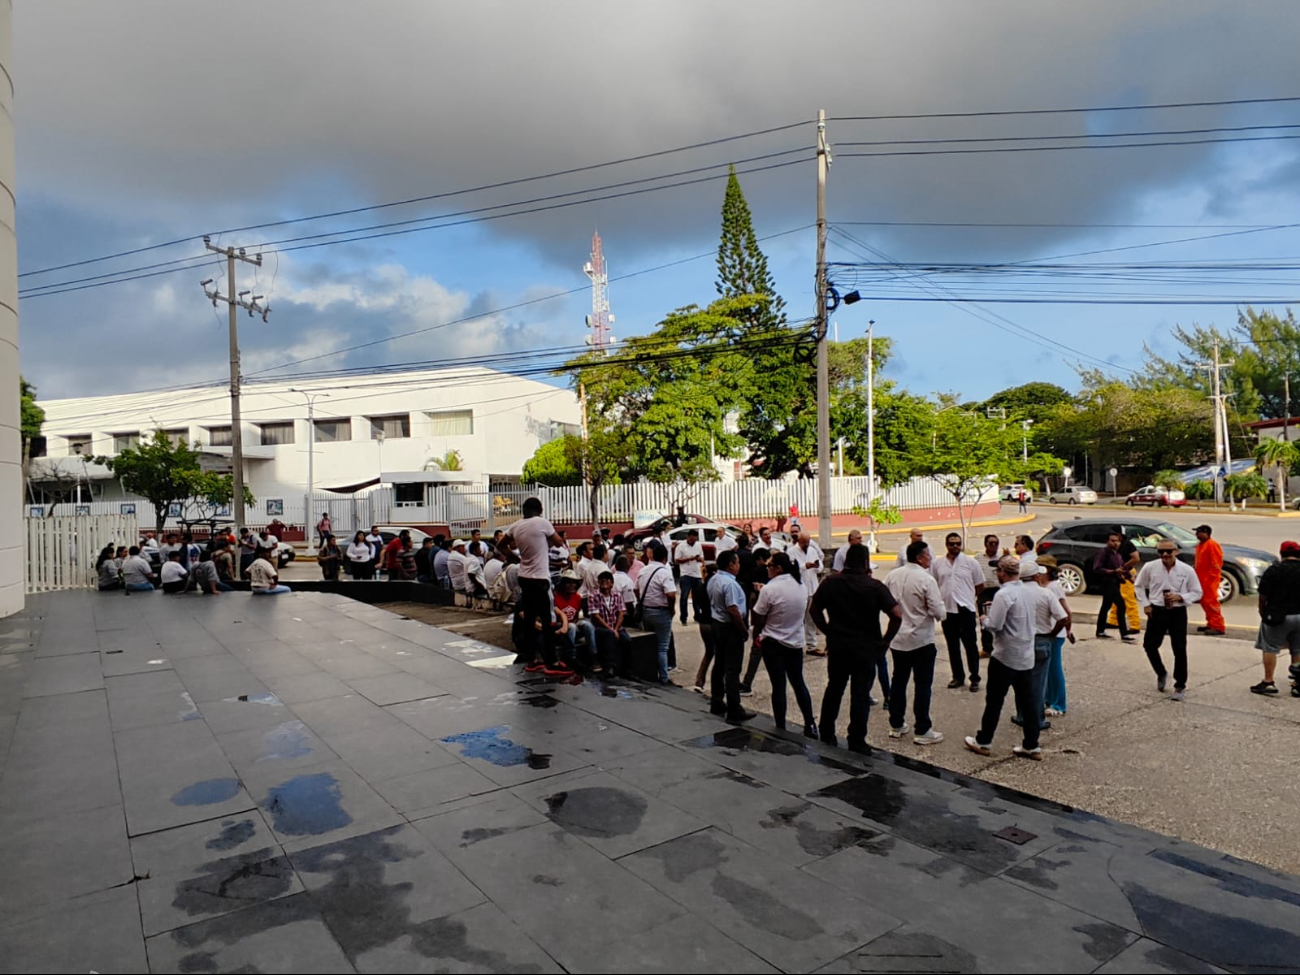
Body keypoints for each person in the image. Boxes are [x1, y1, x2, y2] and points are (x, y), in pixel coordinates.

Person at [813, 544, 902, 753]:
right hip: (866, 648)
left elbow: (814, 609)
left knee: (834, 688)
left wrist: (827, 630)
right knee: (861, 694)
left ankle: (826, 731)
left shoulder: (831, 583)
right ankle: (856, 739)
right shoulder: (874, 586)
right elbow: (897, 615)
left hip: (838, 646)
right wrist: (885, 641)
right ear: (865, 562)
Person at [966, 555, 1056, 761]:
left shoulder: (1003, 594)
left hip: (1005, 655)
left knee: (995, 700)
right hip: (1025, 654)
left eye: (998, 571)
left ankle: (984, 741)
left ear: (1002, 573)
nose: (997, 574)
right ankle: (1031, 745)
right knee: (1029, 701)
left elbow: (995, 625)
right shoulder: (1028, 592)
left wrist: (983, 619)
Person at [886, 541, 946, 745]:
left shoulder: (892, 576)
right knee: (922, 685)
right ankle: (923, 728)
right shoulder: (926, 579)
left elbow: (885, 602)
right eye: (928, 555)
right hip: (921, 639)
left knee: (898, 681)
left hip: (898, 638)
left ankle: (896, 724)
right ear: (920, 557)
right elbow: (939, 612)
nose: (930, 558)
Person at [752, 552, 818, 737]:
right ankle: (809, 722)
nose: (767, 568)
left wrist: (756, 634)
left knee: (778, 685)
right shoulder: (800, 585)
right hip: (795, 641)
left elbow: (760, 615)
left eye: (769, 565)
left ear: (778, 568)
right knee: (798, 682)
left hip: (773, 641)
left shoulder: (769, 590)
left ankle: (781, 724)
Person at [499, 497, 568, 671]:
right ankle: (551, 661)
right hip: (540, 578)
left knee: (529, 620)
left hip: (524, 576)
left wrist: (516, 558)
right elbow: (559, 542)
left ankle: (532, 659)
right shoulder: (542, 523)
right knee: (547, 620)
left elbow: (501, 545)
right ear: (540, 509)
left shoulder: (516, 526)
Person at [1134, 540, 1202, 701]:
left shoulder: (1186, 570)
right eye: (1161, 552)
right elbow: (1138, 585)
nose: (1165, 555)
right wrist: (1146, 604)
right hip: (1157, 610)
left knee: (1179, 648)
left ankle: (1180, 686)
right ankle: (1161, 672)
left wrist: (1180, 597)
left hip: (1177, 611)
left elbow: (1197, 592)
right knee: (1150, 645)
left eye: (1168, 551)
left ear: (1176, 552)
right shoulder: (1151, 567)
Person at [1011, 560, 1068, 732]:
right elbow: (1063, 617)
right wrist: (1051, 635)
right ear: (1036, 575)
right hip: (1041, 640)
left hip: (1021, 640)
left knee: (1021, 681)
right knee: (1038, 683)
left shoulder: (1013, 594)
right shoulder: (1045, 594)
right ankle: (1037, 719)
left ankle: (1022, 715)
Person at [933, 532, 985, 692]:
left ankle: (974, 677)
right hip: (948, 610)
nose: (955, 546)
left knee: (970, 645)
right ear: (946, 545)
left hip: (966, 609)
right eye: (951, 543)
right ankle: (958, 677)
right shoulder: (938, 564)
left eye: (957, 543)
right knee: (952, 646)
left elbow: (980, 585)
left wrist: (968, 597)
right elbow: (934, 583)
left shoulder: (971, 563)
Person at [707, 550, 754, 723]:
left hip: (717, 624)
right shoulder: (730, 584)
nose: (739, 566)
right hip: (729, 627)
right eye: (737, 562)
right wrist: (743, 630)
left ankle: (717, 700)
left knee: (719, 664)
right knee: (732, 669)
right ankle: (734, 707)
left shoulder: (713, 579)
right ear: (731, 565)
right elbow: (733, 609)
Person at [1253, 540, 1300, 696]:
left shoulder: (1274, 570)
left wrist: (1262, 611)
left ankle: (1268, 682)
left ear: (1281, 554)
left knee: (1270, 648)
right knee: (1298, 649)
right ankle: (1297, 684)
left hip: (1277, 616)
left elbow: (1263, 595)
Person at [1035, 556, 1076, 716]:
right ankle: (1049, 699)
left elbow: (1067, 612)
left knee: (1054, 669)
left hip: (1054, 634)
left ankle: (1059, 704)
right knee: (1047, 670)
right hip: (1046, 632)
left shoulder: (1054, 587)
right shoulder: (1041, 586)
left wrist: (1068, 630)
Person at [637, 541, 678, 684]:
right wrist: (671, 609)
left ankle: (650, 674)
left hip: (646, 611)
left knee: (650, 644)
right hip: (661, 612)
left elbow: (636, 589)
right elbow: (671, 594)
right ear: (665, 559)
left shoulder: (643, 570)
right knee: (662, 647)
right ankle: (664, 677)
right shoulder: (664, 572)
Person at [738, 547, 772, 695]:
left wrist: (754, 623)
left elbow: (754, 602)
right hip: (775, 626)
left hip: (762, 622)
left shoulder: (759, 576)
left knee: (756, 653)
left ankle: (746, 683)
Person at [1092, 531, 1135, 643]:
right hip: (1108, 583)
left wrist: (1131, 578)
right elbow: (1097, 568)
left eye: (1117, 541)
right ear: (1107, 541)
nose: (1116, 543)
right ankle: (1124, 633)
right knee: (1121, 606)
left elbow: (1123, 568)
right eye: (1113, 541)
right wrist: (1113, 571)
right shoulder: (1103, 553)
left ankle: (1100, 631)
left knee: (1106, 606)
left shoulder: (1117, 554)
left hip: (1115, 582)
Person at [588, 570, 631, 674]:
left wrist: (615, 629)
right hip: (600, 628)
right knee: (609, 635)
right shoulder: (593, 596)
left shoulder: (617, 595)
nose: (604, 582)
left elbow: (621, 613)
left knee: (627, 640)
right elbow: (596, 616)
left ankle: (627, 669)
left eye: (607, 580)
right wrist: (611, 629)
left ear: (612, 583)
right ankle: (609, 666)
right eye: (602, 580)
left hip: (615, 627)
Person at [553, 570, 593, 670]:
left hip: (572, 627)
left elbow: (575, 617)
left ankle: (594, 656)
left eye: (574, 582)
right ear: (563, 584)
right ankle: (571, 657)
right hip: (558, 630)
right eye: (569, 583)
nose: (572, 585)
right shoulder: (555, 597)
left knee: (587, 624)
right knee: (571, 626)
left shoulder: (577, 598)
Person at [794, 532, 825, 655]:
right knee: (798, 619)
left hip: (812, 589)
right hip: (799, 590)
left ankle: (812, 646)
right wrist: (804, 566)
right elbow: (791, 568)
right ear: (799, 540)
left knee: (811, 618)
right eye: (804, 542)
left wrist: (816, 566)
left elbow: (820, 567)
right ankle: (797, 644)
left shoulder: (812, 550)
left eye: (808, 541)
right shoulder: (792, 552)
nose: (806, 544)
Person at [1106, 530, 1143, 635]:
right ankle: (1113, 621)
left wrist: (1124, 567)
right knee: (1116, 598)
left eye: (1117, 536)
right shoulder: (1116, 545)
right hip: (1118, 573)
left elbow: (1136, 558)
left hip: (1126, 573)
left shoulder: (1127, 544)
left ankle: (1135, 625)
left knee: (1128, 599)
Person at [1194, 524, 1227, 636]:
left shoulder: (1212, 545)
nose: (1196, 534)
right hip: (1201, 579)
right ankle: (1211, 623)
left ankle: (1218, 626)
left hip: (1209, 580)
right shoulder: (1200, 545)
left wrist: (1211, 578)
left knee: (1211, 603)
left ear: (1205, 533)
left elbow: (1216, 563)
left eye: (1198, 532)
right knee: (1205, 603)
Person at [674, 528, 706, 624]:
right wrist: (689, 559)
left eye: (695, 538)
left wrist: (699, 559)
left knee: (697, 597)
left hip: (697, 574)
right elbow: (676, 560)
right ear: (688, 537)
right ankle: (683, 617)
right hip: (686, 574)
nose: (693, 540)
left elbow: (702, 558)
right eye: (691, 538)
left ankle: (697, 615)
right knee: (684, 597)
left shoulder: (698, 545)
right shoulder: (681, 546)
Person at [977, 534, 1001, 659]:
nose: (994, 546)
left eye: (996, 543)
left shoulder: (1001, 559)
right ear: (985, 544)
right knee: (984, 620)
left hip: (998, 591)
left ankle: (999, 647)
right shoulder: (978, 558)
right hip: (984, 591)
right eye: (991, 543)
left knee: (999, 619)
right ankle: (987, 648)